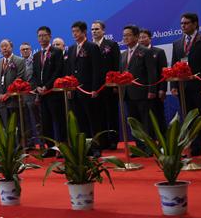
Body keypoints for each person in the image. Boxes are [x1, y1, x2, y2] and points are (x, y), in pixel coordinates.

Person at [171, 13, 201, 158]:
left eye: (186, 23)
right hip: (183, 88)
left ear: (195, 23)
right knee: (188, 119)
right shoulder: (177, 43)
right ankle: (195, 147)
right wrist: (173, 85)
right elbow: (174, 65)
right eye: (181, 23)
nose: (183, 26)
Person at [119, 25, 157, 148]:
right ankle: (139, 147)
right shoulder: (123, 54)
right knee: (134, 122)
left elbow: (152, 73)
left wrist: (152, 90)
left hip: (143, 93)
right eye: (124, 35)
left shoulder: (145, 51)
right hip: (128, 94)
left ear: (136, 36)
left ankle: (149, 147)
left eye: (128, 35)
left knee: (146, 122)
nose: (125, 38)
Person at [66, 21, 101, 138]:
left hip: (88, 90)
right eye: (73, 32)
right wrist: (69, 88)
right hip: (75, 91)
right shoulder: (71, 48)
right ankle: (85, 144)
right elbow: (70, 70)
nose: (74, 34)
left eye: (77, 31)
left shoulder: (92, 47)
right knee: (80, 120)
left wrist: (95, 88)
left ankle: (96, 145)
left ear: (84, 32)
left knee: (93, 119)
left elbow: (96, 69)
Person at [32, 26, 65, 144]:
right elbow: (35, 74)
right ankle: (50, 148)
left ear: (49, 36)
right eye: (39, 36)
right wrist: (37, 87)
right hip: (42, 94)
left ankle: (62, 147)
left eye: (44, 35)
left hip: (53, 93)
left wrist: (47, 86)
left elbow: (58, 71)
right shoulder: (36, 55)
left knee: (59, 121)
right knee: (46, 122)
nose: (41, 38)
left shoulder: (57, 52)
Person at [91, 20, 120, 149]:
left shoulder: (111, 45)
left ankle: (113, 140)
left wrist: (115, 84)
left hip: (109, 86)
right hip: (95, 87)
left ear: (103, 31)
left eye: (97, 29)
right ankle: (102, 141)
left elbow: (116, 64)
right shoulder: (89, 46)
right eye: (92, 29)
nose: (94, 31)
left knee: (111, 114)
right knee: (98, 115)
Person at [139, 28, 168, 131]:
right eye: (139, 38)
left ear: (150, 38)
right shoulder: (137, 53)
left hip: (156, 91)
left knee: (158, 117)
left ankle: (162, 139)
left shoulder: (158, 52)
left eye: (144, 37)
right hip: (142, 92)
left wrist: (162, 89)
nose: (141, 40)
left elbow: (163, 72)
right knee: (146, 119)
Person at [0, 39, 26, 125]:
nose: (4, 48)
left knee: (18, 126)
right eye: (2, 47)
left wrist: (8, 94)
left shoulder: (19, 60)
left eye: (6, 46)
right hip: (1, 102)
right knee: (6, 127)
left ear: (11, 47)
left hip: (14, 100)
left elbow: (20, 78)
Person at [20, 41, 41, 147]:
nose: (25, 51)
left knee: (37, 121)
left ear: (31, 50)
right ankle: (29, 144)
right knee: (25, 122)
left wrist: (37, 96)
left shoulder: (35, 61)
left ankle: (42, 143)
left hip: (34, 95)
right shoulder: (19, 63)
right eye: (23, 49)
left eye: (27, 49)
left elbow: (38, 79)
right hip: (23, 98)